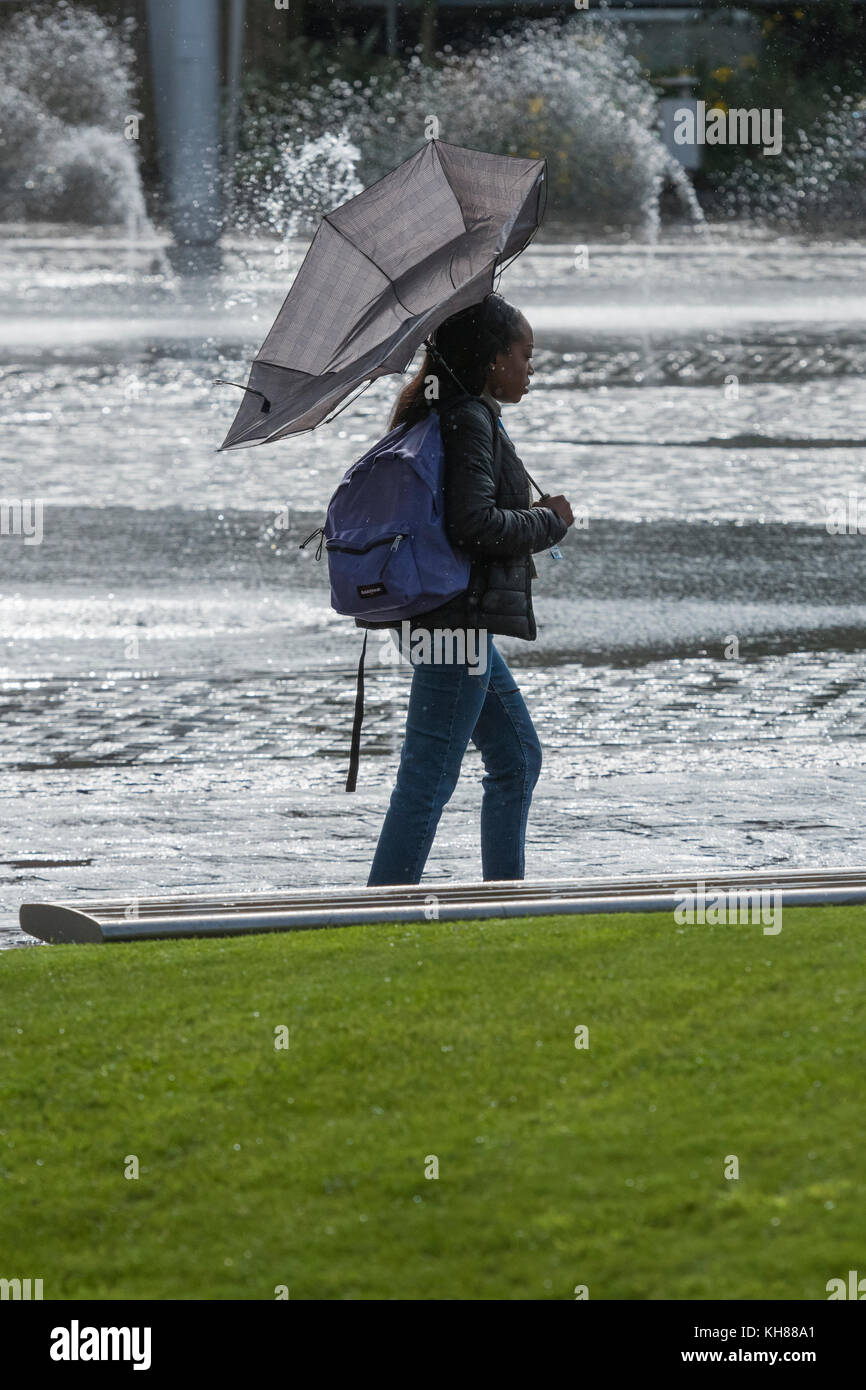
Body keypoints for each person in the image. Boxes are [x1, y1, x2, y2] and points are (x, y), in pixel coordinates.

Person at [362, 292, 574, 886]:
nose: (531, 368)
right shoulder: (466, 418)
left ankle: (504, 899)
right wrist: (549, 522)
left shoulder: (452, 412)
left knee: (516, 759)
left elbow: (462, 515)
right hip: (452, 623)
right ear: (491, 358)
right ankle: (381, 909)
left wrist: (528, 511)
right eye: (524, 354)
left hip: (451, 620)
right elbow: (472, 525)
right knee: (429, 776)